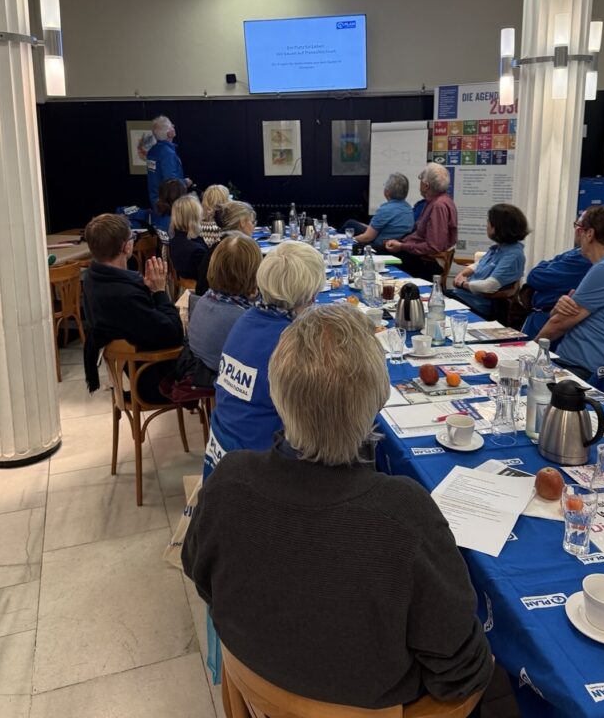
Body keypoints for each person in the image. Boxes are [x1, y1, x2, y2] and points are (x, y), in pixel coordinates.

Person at [182, 304, 493, 710]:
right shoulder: (403, 514)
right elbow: (461, 672)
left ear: (277, 393)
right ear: (377, 403)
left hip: (255, 678)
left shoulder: (228, 481)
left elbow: (200, 575)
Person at [204, 241, 325, 478]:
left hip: (222, 453)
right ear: (310, 297)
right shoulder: (289, 342)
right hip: (259, 467)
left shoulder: (245, 319)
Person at [82, 213, 183, 401]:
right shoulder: (125, 295)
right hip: (154, 382)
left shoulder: (91, 279)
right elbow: (173, 334)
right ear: (125, 246)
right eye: (132, 238)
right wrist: (160, 292)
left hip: (133, 372)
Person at [536, 205, 604, 380]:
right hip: (578, 364)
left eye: (579, 229)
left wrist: (530, 352)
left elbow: (559, 323)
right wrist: (557, 309)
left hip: (586, 370)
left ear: (589, 234)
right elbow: (562, 315)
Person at [183, 235, 261, 387]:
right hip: (230, 383)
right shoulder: (242, 320)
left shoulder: (205, 299)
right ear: (254, 272)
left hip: (203, 370)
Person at [451, 204, 529, 319]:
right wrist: (463, 274)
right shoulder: (499, 248)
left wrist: (463, 284)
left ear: (498, 227)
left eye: (489, 222)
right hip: (467, 297)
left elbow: (489, 286)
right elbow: (480, 264)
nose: (487, 226)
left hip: (479, 305)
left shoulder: (513, 255)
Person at [384, 163, 457, 279]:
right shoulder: (439, 201)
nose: (420, 182)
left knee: (376, 260)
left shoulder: (438, 206)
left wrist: (402, 246)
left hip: (425, 263)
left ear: (426, 185)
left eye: (420, 179)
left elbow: (433, 246)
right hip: (418, 256)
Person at [520, 239, 592, 338]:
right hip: (539, 316)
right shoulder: (574, 252)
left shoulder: (583, 258)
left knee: (534, 351)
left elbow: (535, 277)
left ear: (590, 233)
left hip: (547, 319)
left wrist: (545, 265)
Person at [195, 200, 257, 295]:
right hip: (222, 302)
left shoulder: (221, 242)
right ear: (242, 222)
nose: (253, 227)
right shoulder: (236, 248)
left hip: (207, 298)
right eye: (252, 222)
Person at [340, 173, 414, 247]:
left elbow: (367, 238)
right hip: (394, 244)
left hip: (379, 247)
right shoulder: (408, 209)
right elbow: (383, 228)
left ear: (387, 191)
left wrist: (348, 240)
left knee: (350, 225)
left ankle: (336, 245)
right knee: (353, 224)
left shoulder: (385, 210)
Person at [146, 114, 192, 217]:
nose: (174, 127)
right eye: (172, 125)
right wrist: (185, 182)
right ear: (169, 133)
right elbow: (171, 183)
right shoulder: (167, 153)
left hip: (156, 202)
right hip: (169, 205)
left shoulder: (152, 151)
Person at [168, 195, 207, 281]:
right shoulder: (196, 250)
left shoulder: (174, 240)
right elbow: (207, 279)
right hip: (200, 290)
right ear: (195, 216)